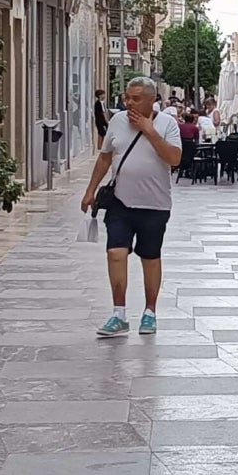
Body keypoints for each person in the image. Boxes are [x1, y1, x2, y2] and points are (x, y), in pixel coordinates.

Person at [81, 75, 183, 336]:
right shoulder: (116, 121)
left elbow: (174, 159)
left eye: (136, 99)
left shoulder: (167, 124)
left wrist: (149, 131)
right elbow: (105, 159)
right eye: (127, 98)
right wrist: (91, 189)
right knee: (115, 253)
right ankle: (119, 314)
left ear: (152, 100)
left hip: (155, 205)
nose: (130, 103)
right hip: (120, 203)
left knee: (150, 258)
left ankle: (150, 312)